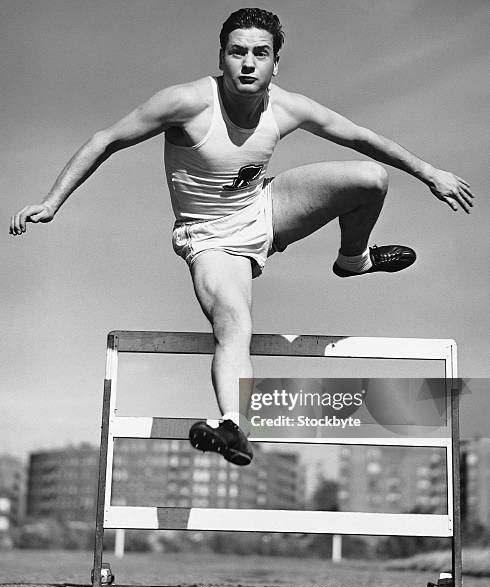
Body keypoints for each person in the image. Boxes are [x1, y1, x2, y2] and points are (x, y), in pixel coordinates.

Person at [10, 8, 474, 466]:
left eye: (260, 53)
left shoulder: (287, 106)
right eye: (237, 52)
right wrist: (52, 201)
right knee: (234, 321)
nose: (248, 63)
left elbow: (361, 136)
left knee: (371, 178)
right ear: (222, 57)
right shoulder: (187, 102)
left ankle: (353, 260)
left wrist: (430, 172)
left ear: (275, 63)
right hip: (210, 238)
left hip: (265, 209)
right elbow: (105, 139)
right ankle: (233, 426)